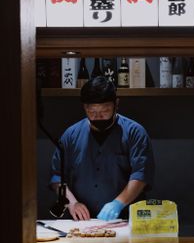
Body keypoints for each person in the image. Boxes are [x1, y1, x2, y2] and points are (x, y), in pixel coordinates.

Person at [50, 75, 154, 221]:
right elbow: (57, 176)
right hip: (81, 221)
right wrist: (72, 203)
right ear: (84, 107)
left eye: (105, 110)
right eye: (92, 112)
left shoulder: (134, 133)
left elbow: (140, 175)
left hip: (127, 218)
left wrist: (118, 204)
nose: (98, 117)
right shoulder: (71, 135)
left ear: (116, 104)